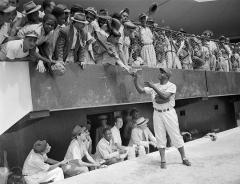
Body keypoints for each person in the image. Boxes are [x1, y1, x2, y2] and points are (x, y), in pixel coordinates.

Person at [132, 68, 191, 169]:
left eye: (163, 72)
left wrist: (153, 87)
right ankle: (163, 160)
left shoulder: (171, 86)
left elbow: (164, 97)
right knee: (159, 137)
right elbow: (140, 91)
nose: (160, 73)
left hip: (169, 112)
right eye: (161, 72)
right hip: (157, 113)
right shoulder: (155, 85)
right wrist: (135, 79)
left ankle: (184, 158)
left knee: (175, 135)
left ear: (167, 76)